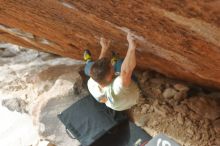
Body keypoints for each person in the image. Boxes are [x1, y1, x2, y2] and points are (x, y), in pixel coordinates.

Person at [83, 32, 140, 111]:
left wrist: (104, 48)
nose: (112, 65)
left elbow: (98, 68)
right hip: (131, 99)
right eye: (111, 66)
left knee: (88, 69)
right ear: (110, 76)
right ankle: (115, 61)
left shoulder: (91, 83)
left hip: (115, 104)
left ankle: (88, 62)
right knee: (120, 63)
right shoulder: (117, 86)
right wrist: (131, 47)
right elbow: (126, 71)